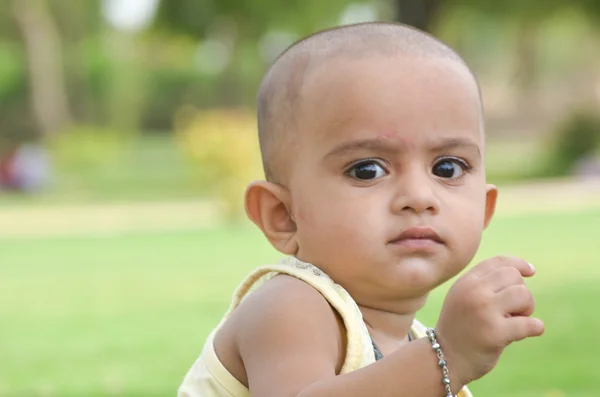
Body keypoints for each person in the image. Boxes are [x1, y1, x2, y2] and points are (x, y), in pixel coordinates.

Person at [178, 22, 545, 397]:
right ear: (282, 215)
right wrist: (447, 356)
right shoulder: (290, 308)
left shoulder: (414, 345)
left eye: (447, 167)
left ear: (484, 209)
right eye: (367, 170)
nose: (418, 196)